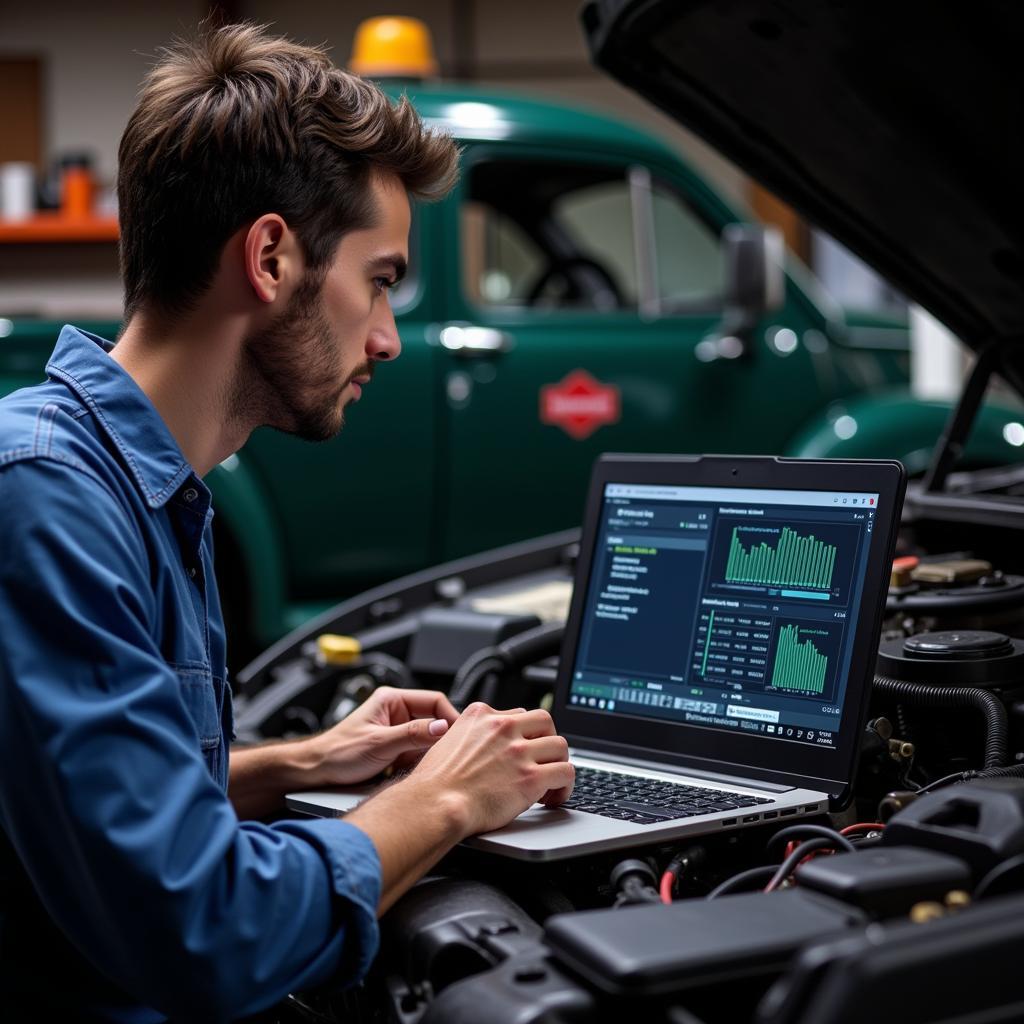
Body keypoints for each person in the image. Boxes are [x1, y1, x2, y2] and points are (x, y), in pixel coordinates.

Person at [0, 22, 574, 1023]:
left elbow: (84, 807)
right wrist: (445, 797)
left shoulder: (133, 485)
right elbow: (207, 928)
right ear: (270, 256)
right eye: (382, 280)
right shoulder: (46, 497)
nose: (389, 339)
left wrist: (297, 766)